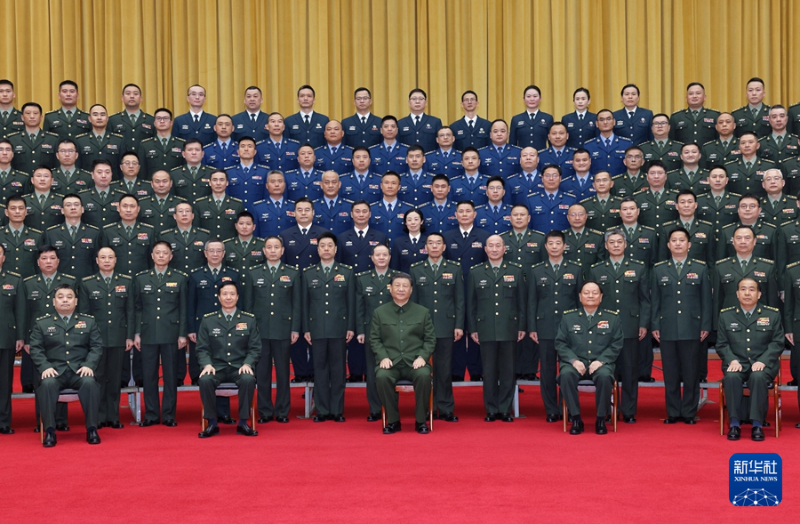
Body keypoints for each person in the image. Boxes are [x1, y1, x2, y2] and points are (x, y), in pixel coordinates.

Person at [651, 227, 712, 424]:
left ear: (689, 245)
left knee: (691, 372)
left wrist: (705, 325)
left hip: (692, 327)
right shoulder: (659, 269)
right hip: (667, 327)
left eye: (682, 240)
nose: (678, 244)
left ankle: (688, 412)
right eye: (674, 240)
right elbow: (655, 301)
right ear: (668, 245)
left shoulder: (700, 268)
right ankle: (673, 412)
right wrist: (654, 325)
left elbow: (706, 300)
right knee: (670, 373)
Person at [30, 283, 103, 447]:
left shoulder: (88, 321)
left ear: (76, 301)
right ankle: (50, 431)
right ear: (53, 301)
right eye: (60, 297)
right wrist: (45, 367)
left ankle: (92, 429)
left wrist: (89, 365)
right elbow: (35, 348)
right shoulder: (42, 323)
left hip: (79, 371)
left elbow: (97, 347)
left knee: (90, 383)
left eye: (69, 297)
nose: (65, 300)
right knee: (47, 385)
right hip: (54, 371)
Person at [589, 230, 649, 423]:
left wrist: (643, 323)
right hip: (604, 327)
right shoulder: (596, 269)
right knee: (606, 371)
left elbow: (645, 299)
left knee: (630, 370)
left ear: (625, 244)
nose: (615, 245)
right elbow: (591, 301)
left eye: (619, 242)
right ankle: (605, 410)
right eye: (612, 242)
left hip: (630, 325)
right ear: (606, 246)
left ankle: (629, 411)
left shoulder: (638, 267)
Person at [468, 235, 526, 422]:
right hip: (485, 327)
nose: (494, 249)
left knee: (508, 370)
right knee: (489, 371)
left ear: (504, 248)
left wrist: (522, 326)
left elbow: (522, 302)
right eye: (490, 246)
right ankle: (491, 409)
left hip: (509, 326)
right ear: (485, 249)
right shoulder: (476, 272)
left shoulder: (516, 270)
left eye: (498, 246)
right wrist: (473, 328)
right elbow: (471, 304)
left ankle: (505, 408)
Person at [717, 277, 783, 441]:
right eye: (743, 289)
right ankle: (734, 423)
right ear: (737, 293)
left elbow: (777, 342)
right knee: (731, 377)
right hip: (736, 363)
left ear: (759, 294)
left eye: (752, 289)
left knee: (758, 377)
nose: (747, 293)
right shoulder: (726, 315)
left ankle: (757, 424)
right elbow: (722, 344)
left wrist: (763, 361)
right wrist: (732, 360)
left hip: (763, 364)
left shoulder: (772, 314)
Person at [243, 235, 300, 424]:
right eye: (269, 247)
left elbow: (296, 304)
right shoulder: (253, 273)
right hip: (260, 331)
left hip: (283, 329)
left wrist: (295, 329)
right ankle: (265, 411)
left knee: (283, 373)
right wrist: (249, 331)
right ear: (264, 251)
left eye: (276, 247)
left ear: (282, 251)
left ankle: (282, 411)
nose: (273, 250)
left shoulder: (292, 273)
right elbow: (248, 305)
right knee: (262, 374)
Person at [528, 230, 584, 422]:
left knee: (569, 370)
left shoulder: (576, 269)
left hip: (570, 329)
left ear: (564, 246)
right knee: (547, 370)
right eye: (550, 243)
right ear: (545, 246)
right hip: (545, 327)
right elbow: (532, 302)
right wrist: (532, 327)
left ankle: (567, 407)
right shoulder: (536, 270)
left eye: (558, 243)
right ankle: (551, 409)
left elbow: (580, 301)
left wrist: (581, 326)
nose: (554, 247)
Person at [371, 272, 436, 434]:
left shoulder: (422, 312)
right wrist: (383, 357)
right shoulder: (380, 312)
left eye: (405, 286)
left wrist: (423, 357)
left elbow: (430, 339)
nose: (401, 289)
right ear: (390, 288)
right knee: (382, 377)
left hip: (415, 362)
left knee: (424, 376)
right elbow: (375, 339)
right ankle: (393, 420)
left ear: (411, 290)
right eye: (397, 286)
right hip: (391, 362)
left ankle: (421, 420)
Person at [556, 281, 623, 435]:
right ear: (580, 297)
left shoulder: (612, 318)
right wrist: (574, 361)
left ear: (601, 297)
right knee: (565, 375)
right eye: (586, 293)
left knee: (605, 376)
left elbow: (616, 344)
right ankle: (576, 418)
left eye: (594, 293)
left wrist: (601, 361)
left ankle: (600, 419)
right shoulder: (569, 317)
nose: (590, 296)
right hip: (574, 363)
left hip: (601, 364)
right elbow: (560, 343)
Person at [133, 241, 188, 427]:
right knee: (149, 376)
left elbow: (183, 309)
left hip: (171, 333)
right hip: (148, 332)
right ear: (152, 256)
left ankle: (169, 414)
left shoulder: (180, 278)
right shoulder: (141, 278)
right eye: (158, 253)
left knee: (170, 376)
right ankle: (151, 414)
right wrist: (137, 333)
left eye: (165, 253)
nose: (161, 256)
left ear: (171, 256)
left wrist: (182, 334)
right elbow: (137, 308)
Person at [78, 247, 134, 429]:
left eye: (110, 257)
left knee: (115, 379)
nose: (107, 260)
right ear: (97, 261)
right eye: (103, 257)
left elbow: (130, 311)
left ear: (116, 260)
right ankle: (99, 416)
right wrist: (86, 339)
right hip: (96, 340)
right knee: (98, 379)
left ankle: (114, 416)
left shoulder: (126, 281)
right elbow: (84, 314)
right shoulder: (87, 283)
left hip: (118, 337)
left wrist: (129, 336)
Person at [409, 233, 463, 421]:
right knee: (422, 370)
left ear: (444, 247)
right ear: (425, 247)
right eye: (430, 243)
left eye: (438, 243)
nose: (434, 246)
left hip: (446, 325)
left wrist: (459, 325)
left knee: (444, 369)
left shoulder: (454, 268)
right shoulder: (416, 269)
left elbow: (459, 299)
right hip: (422, 328)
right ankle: (425, 408)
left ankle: (445, 407)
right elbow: (412, 301)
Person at [196, 281, 260, 438]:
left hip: (239, 366)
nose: (228, 297)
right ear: (219, 297)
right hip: (216, 367)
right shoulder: (208, 320)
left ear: (237, 297)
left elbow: (255, 348)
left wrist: (248, 363)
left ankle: (243, 423)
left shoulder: (249, 320)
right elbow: (202, 348)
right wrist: (207, 364)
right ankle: (212, 423)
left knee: (248, 379)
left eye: (232, 294)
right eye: (224, 294)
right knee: (205, 380)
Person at [302, 232, 355, 422]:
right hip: (316, 329)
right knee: (320, 370)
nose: (326, 249)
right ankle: (322, 410)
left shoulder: (347, 272)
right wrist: (306, 328)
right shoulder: (308, 273)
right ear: (318, 250)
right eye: (322, 246)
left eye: (329, 246)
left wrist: (350, 326)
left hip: (339, 328)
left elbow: (351, 302)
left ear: (335, 249)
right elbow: (305, 303)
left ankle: (337, 410)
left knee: (338, 370)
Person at [23, 246, 76, 422]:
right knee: (42, 380)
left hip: (62, 338)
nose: (48, 262)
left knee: (62, 375)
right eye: (44, 258)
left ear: (58, 261)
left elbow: (76, 312)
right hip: (37, 339)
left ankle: (61, 420)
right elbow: (24, 313)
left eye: (52, 258)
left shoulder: (69, 281)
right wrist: (26, 339)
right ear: (38, 262)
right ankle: (43, 421)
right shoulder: (28, 283)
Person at [444, 200, 490, 381]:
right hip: (453, 289)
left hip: (477, 289)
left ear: (474, 214)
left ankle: (476, 370)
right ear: (455, 215)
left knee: (475, 329)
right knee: (455, 330)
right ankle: (456, 371)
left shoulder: (484, 236)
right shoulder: (447, 236)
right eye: (461, 211)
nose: (464, 214)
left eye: (468, 211)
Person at [186, 238, 240, 388]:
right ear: (205, 253)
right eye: (211, 251)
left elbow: (239, 303)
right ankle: (197, 375)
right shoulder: (196, 275)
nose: (215, 254)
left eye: (218, 251)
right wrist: (191, 329)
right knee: (200, 350)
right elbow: (191, 304)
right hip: (201, 323)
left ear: (223, 253)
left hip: (227, 323)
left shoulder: (233, 274)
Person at [355, 244, 397, 419]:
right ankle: (374, 409)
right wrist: (360, 331)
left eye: (384, 255)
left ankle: (391, 408)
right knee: (373, 371)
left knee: (392, 371)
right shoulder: (362, 278)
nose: (381, 258)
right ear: (371, 258)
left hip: (395, 332)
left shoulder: (398, 278)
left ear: (389, 257)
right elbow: (359, 308)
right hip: (371, 331)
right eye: (378, 255)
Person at [713, 225, 780, 318]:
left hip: (760, 321)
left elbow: (772, 301)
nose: (743, 241)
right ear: (733, 241)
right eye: (739, 238)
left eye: (747, 238)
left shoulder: (767, 267)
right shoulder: (721, 267)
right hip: (730, 321)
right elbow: (717, 301)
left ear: (755, 241)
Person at [45, 193, 100, 279]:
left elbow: (97, 262)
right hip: (61, 282)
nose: (73, 208)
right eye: (68, 205)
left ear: (82, 209)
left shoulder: (94, 233)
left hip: (85, 282)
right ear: (62, 210)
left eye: (76, 205)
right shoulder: (52, 233)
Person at [0, 243, 24, 434]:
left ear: (3, 257)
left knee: (4, 382)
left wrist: (20, 336)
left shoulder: (14, 279)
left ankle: (3, 421)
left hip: (5, 337)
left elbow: (20, 311)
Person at [656, 189, 715, 266]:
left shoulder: (707, 228)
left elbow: (711, 259)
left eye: (690, 202)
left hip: (699, 272)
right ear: (677, 206)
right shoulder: (667, 229)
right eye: (682, 202)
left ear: (696, 205)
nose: (686, 205)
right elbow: (662, 259)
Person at [102, 194, 155, 277]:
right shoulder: (108, 231)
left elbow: (152, 259)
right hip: (117, 280)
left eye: (132, 206)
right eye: (125, 206)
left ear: (138, 209)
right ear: (118, 208)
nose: (128, 210)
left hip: (142, 279)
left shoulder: (148, 231)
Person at [717, 194, 779, 264]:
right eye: (744, 206)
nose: (747, 209)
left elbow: (776, 260)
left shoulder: (770, 231)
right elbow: (720, 262)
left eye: (752, 206)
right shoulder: (727, 231)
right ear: (738, 210)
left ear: (759, 210)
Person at [75, 104, 126, 180]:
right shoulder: (80, 140)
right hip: (87, 184)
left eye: (102, 115)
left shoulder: (118, 140)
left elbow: (122, 168)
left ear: (107, 118)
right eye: (95, 115)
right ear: (89, 118)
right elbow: (77, 167)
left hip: (112, 184)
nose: (99, 118)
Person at [337, 200, 387, 274]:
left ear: (370, 214)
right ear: (351, 214)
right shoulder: (342, 237)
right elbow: (339, 264)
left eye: (364, 211)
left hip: (372, 277)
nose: (361, 215)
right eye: (357, 211)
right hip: (350, 278)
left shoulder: (380, 237)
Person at [8, 102, 60, 174]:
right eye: (28, 113)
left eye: (35, 113)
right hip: (20, 181)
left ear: (41, 117)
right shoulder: (12, 139)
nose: (32, 116)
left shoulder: (53, 139)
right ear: (22, 117)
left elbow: (57, 166)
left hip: (44, 180)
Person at [193, 169, 244, 240]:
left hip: (229, 246)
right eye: (215, 180)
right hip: (207, 245)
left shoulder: (237, 205)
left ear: (227, 183)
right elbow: (196, 230)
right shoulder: (200, 204)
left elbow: (241, 231)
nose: (218, 183)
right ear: (210, 183)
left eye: (222, 180)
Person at [0, 194, 42, 279]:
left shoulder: (36, 236)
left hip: (28, 283)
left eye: (21, 208)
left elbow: (39, 265)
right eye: (13, 208)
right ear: (6, 212)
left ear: (26, 212)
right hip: (4, 283)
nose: (17, 212)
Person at [137, 108, 186, 180]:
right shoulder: (145, 145)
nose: (162, 121)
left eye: (165, 118)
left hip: (175, 184)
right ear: (154, 123)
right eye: (159, 118)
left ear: (171, 123)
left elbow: (185, 170)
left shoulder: (181, 144)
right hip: (152, 185)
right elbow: (142, 171)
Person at [107, 83, 155, 155]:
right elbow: (109, 144)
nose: (132, 96)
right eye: (128, 93)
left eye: (135, 94)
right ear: (122, 98)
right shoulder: (113, 120)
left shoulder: (151, 120)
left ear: (141, 98)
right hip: (121, 160)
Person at [526, 164, 576, 232]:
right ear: (542, 179)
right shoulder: (531, 200)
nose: (551, 179)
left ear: (560, 178)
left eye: (555, 176)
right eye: (547, 176)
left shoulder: (570, 200)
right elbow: (528, 226)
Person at [725, 131, 776, 198]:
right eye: (743, 143)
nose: (747, 145)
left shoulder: (769, 166)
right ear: (739, 147)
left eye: (750, 142)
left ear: (757, 146)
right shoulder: (729, 167)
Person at [583, 109, 632, 176]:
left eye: (608, 119)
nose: (605, 122)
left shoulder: (626, 144)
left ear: (614, 122)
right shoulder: (588, 146)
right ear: (597, 124)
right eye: (602, 120)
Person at [563, 203, 605, 278]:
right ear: (568, 217)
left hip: (591, 280)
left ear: (586, 216)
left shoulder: (597, 237)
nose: (577, 218)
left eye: (580, 214)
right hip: (567, 280)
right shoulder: (561, 237)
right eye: (573, 215)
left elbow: (601, 263)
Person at [224, 137, 267, 211]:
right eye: (243, 146)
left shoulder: (264, 172)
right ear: (238, 151)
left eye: (250, 146)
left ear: (255, 152)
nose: (246, 149)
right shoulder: (229, 172)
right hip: (235, 213)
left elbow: (266, 197)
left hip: (256, 213)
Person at [369, 171, 412, 245]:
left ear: (399, 187)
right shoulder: (371, 209)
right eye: (386, 183)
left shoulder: (408, 210)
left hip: (401, 250)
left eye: (393, 183)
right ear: (381, 186)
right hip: (378, 250)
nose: (390, 186)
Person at [696, 165, 740, 236]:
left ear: (726, 180)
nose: (718, 180)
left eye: (721, 177)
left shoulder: (737, 200)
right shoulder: (699, 200)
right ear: (708, 180)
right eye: (714, 177)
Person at [633, 160, 678, 228]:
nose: (656, 176)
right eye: (652, 173)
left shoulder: (675, 196)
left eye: (660, 173)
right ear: (647, 177)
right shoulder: (638, 197)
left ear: (666, 176)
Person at [251, 170, 296, 238]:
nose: (277, 184)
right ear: (267, 185)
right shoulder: (258, 208)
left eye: (280, 181)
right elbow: (255, 234)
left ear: (284, 185)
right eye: (272, 181)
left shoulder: (293, 206)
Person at [396, 89, 442, 153]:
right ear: (409, 102)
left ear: (426, 103)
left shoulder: (435, 122)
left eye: (421, 99)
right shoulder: (400, 123)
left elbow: (440, 145)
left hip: (429, 158)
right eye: (414, 99)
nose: (417, 101)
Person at [508, 85, 553, 150]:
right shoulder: (516, 119)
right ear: (524, 99)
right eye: (528, 96)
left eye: (535, 96)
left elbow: (552, 142)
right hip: (522, 155)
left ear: (540, 98)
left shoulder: (548, 118)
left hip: (541, 154)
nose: (532, 99)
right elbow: (512, 144)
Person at [170, 138, 215, 203]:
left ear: (202, 154)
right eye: (190, 150)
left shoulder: (212, 173)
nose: (194, 153)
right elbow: (172, 199)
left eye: (197, 150)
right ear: (183, 154)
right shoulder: (175, 174)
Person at [24, 167, 64, 232]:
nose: (42, 179)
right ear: (32, 180)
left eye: (46, 176)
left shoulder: (61, 200)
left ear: (52, 180)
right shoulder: (24, 200)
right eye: (38, 176)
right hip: (31, 237)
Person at [313, 170, 352, 235]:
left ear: (339, 184)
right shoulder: (314, 206)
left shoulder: (349, 206)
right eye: (327, 182)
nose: (330, 186)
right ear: (321, 185)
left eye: (334, 182)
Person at [390, 208, 426, 273]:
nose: (413, 222)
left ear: (421, 221)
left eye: (416, 219)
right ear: (405, 223)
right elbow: (395, 267)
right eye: (409, 220)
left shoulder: (428, 241)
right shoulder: (398, 242)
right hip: (404, 278)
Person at [0, 138, 32, 202]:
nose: (4, 153)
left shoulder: (23, 178)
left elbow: (27, 202)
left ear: (12, 154)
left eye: (8, 150)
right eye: (1, 150)